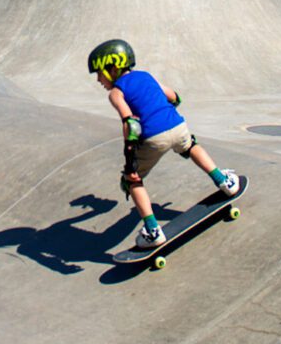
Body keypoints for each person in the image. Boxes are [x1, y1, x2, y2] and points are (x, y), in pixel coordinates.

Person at [87, 38, 242, 249]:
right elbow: (174, 96)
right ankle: (224, 181)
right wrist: (166, 109)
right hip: (177, 125)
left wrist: (130, 161)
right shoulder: (146, 75)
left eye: (99, 73)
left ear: (112, 69)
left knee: (133, 180)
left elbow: (130, 125)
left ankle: (152, 230)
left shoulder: (116, 93)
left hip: (153, 138)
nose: (98, 79)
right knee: (190, 146)